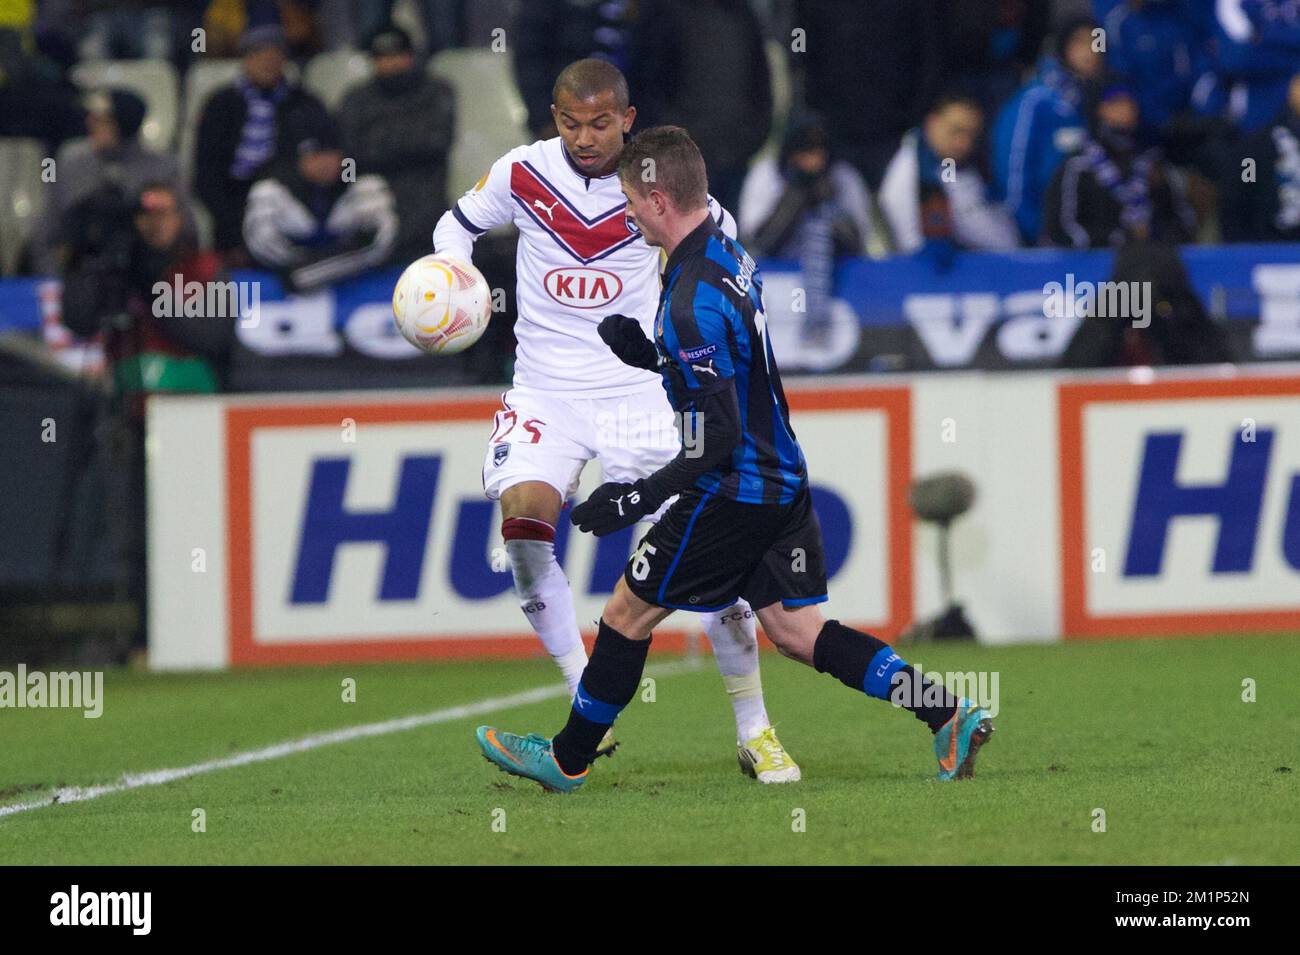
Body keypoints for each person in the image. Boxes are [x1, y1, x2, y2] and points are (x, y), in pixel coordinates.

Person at [475, 126, 994, 793]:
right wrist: (650, 355)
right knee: (799, 630)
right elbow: (729, 372)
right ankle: (947, 712)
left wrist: (634, 496)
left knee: (626, 613)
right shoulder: (725, 253)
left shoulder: (688, 300)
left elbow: (713, 436)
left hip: (736, 491)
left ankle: (568, 758)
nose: (627, 213)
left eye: (632, 199)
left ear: (659, 197)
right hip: (784, 475)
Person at [433, 60, 801, 783]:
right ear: (553, 117)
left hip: (642, 391)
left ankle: (755, 728)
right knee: (525, 529)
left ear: (627, 119)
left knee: (709, 556)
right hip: (546, 391)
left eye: (600, 123)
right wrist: (457, 280)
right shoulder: (523, 173)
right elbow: (455, 225)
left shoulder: (659, 183)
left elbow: (724, 252)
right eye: (571, 123)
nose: (585, 138)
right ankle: (581, 695)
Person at [193, 24, 330, 258]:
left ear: (285, 59)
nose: (267, 60)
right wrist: (233, 226)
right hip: (234, 208)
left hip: (290, 203)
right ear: (245, 59)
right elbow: (206, 176)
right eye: (258, 53)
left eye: (275, 53)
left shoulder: (306, 104)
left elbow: (330, 158)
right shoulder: (220, 105)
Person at [738, 114, 873, 340]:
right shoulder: (766, 175)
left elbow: (860, 242)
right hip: (774, 277)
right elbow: (756, 241)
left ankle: (818, 327)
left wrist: (827, 201)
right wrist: (796, 196)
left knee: (819, 226)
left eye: (819, 152)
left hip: (837, 279)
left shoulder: (843, 177)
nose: (814, 161)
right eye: (805, 153)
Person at [338, 24, 456, 264]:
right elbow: (351, 154)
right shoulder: (356, 98)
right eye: (383, 57)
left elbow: (436, 142)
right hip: (376, 200)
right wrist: (407, 142)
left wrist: (380, 143)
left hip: (427, 199)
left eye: (397, 55)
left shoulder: (437, 90)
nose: (391, 63)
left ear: (411, 56)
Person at [31, 88, 179, 277]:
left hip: (148, 278)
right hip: (81, 275)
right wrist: (54, 280)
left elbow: (184, 233)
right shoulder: (71, 161)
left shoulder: (162, 167)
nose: (90, 123)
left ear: (124, 125)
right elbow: (48, 228)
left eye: (102, 120)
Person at [242, 112, 398, 291]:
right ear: (299, 158)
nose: (324, 163)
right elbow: (262, 245)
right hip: (286, 300)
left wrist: (308, 274)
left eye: (331, 153)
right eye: (314, 154)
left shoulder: (363, 186)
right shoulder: (272, 192)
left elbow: (382, 242)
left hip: (355, 291)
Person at [991, 15, 1104, 244]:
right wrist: (1031, 230)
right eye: (1079, 42)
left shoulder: (1099, 100)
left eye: (1096, 43)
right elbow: (1014, 169)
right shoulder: (1036, 100)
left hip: (1082, 235)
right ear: (1063, 47)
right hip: (1039, 235)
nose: (1090, 51)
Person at [1043, 80, 1196, 249]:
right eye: (1115, 103)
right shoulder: (1077, 167)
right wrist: (1118, 240)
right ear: (1098, 109)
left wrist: (1155, 237)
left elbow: (1182, 221)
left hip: (1153, 265)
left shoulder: (1152, 162)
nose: (1126, 109)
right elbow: (1061, 229)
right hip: (1091, 271)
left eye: (1130, 102)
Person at [878, 93, 1019, 262]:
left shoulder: (952, 166)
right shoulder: (910, 166)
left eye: (971, 135)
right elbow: (910, 244)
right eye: (956, 131)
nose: (963, 143)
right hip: (924, 276)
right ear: (932, 123)